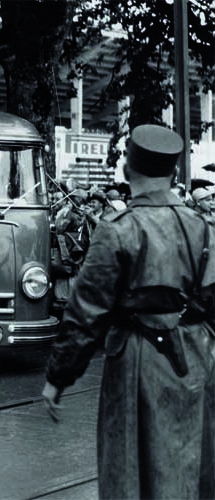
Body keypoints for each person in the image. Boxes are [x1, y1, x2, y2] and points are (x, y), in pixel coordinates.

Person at [42, 124, 215, 499]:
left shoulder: (117, 230)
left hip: (138, 360)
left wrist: (59, 377)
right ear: (173, 172)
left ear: (126, 170)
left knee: (131, 467)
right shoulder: (202, 226)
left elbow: (85, 311)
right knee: (189, 460)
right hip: (197, 359)